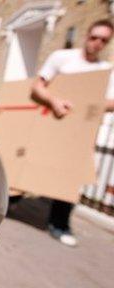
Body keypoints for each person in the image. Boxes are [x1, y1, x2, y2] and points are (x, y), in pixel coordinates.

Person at [31, 19, 114, 246]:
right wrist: (54, 101)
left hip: (79, 131)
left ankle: (59, 223)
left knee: (70, 176)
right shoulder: (62, 58)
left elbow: (111, 102)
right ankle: (10, 201)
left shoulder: (104, 71)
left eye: (104, 40)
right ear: (87, 35)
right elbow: (38, 86)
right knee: (32, 163)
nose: (97, 43)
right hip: (50, 121)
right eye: (94, 37)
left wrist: (85, 103)